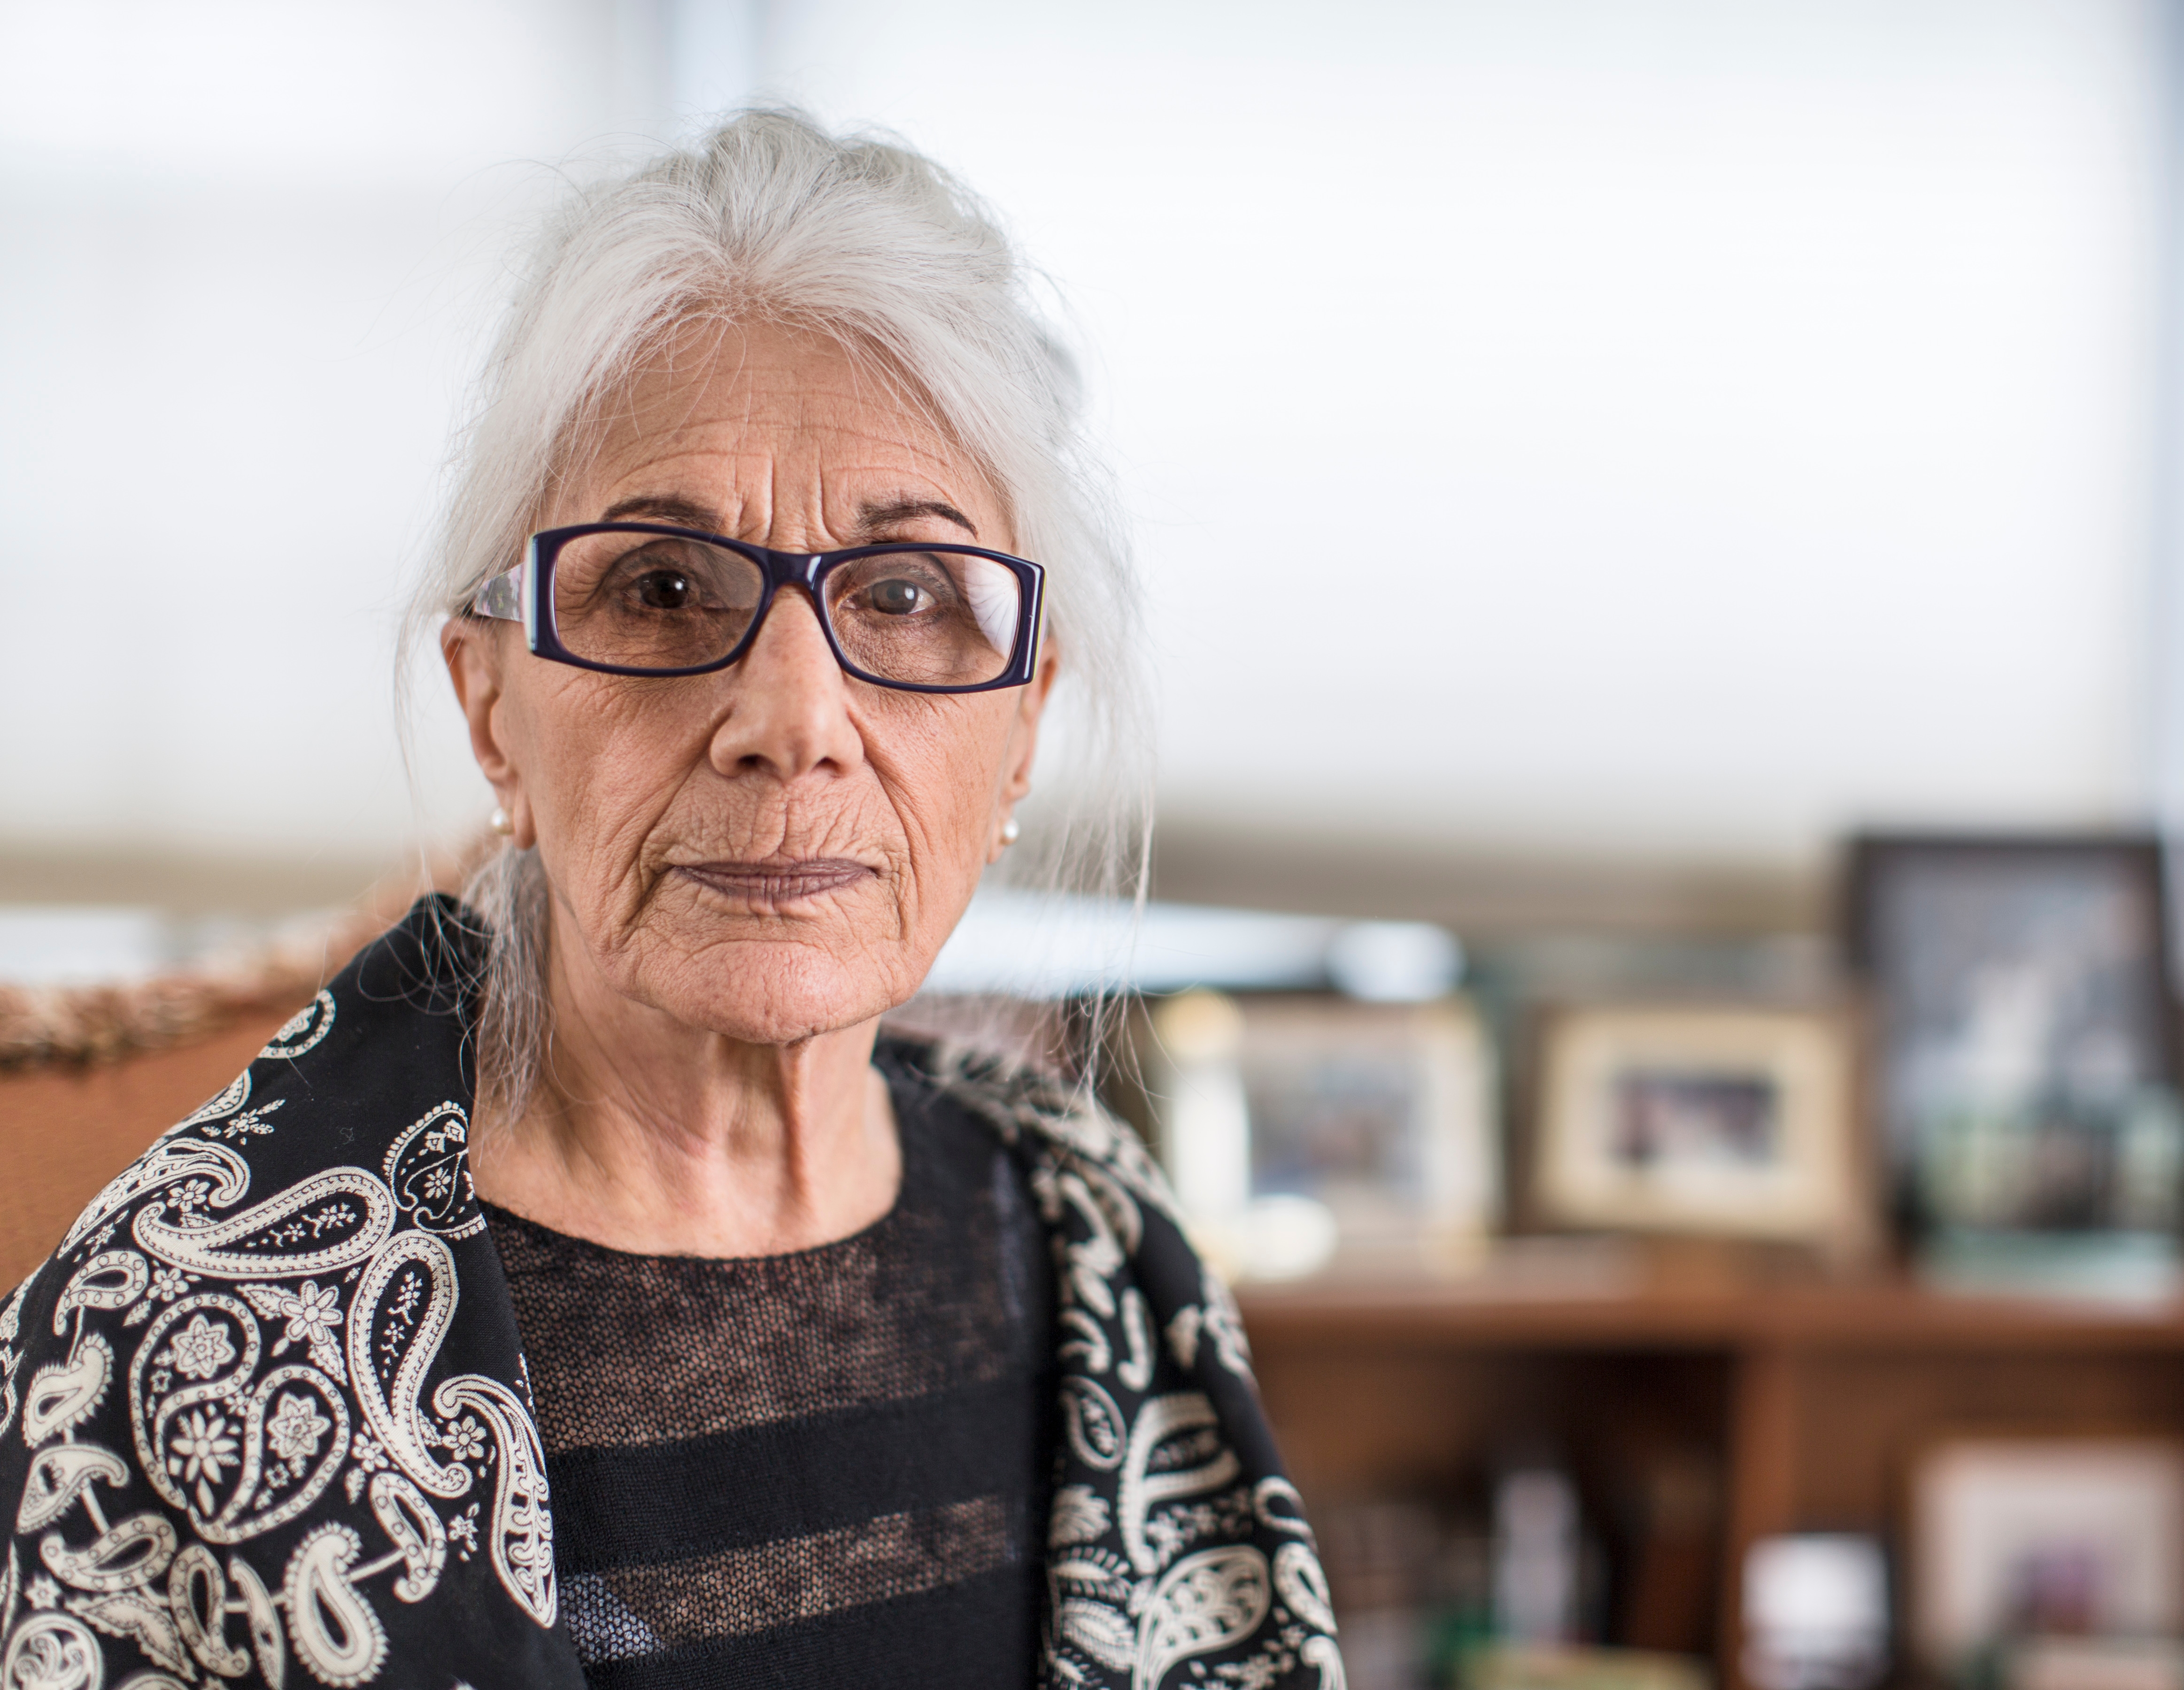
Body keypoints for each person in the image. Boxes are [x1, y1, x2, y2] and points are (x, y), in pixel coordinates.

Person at [0, 111, 1339, 1690]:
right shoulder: (162, 1350)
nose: (792, 717)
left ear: (1024, 719)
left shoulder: (1101, 1243)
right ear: (492, 706)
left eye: (905, 597)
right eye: (660, 587)